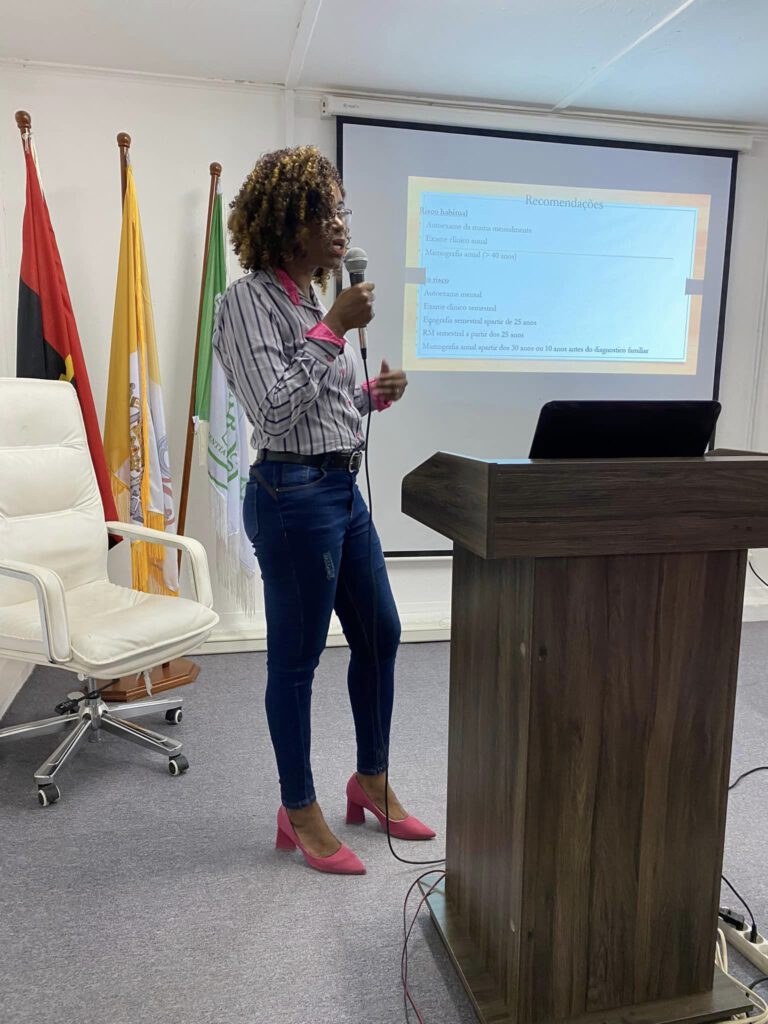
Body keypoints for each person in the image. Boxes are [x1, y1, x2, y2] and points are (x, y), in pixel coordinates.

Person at [213, 146, 435, 875]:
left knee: (381, 634)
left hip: (341, 490)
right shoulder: (245, 302)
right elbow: (274, 412)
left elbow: (318, 403)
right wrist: (334, 326)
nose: (340, 226)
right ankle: (299, 806)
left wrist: (370, 396)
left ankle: (370, 779)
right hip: (291, 498)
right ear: (286, 223)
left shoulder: (314, 302)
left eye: (342, 212)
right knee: (297, 661)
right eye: (324, 213)